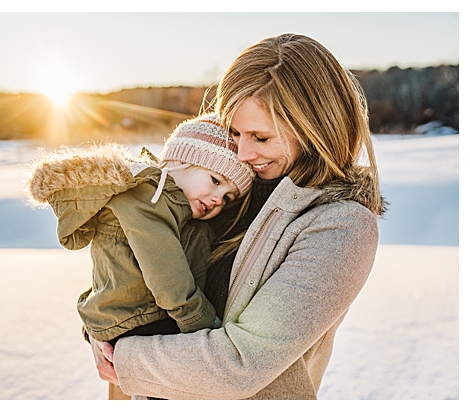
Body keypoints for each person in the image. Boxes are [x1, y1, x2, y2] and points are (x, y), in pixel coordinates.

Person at [91, 33, 386, 399]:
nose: (243, 152)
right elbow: (132, 266)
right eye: (234, 132)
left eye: (261, 138)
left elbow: (241, 363)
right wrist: (104, 326)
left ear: (315, 130)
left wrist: (127, 359)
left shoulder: (338, 226)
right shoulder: (228, 191)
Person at [26, 115, 252, 350]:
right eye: (216, 181)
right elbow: (165, 270)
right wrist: (201, 321)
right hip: (137, 321)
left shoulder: (175, 207)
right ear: (180, 160)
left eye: (228, 197)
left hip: (137, 317)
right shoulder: (148, 197)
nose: (218, 199)